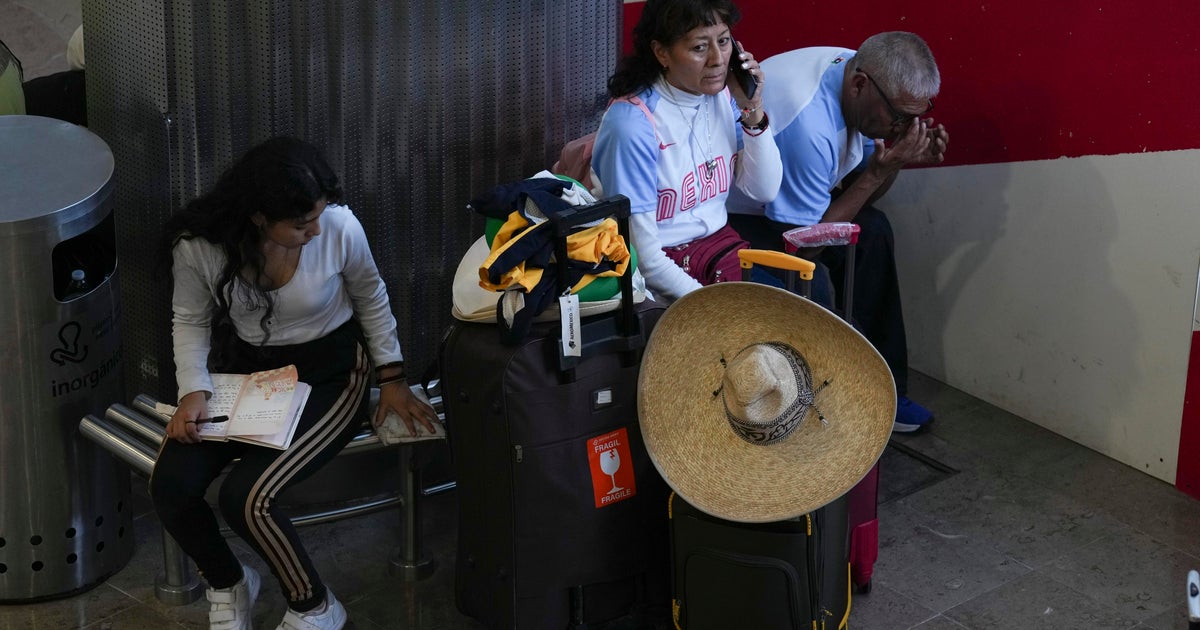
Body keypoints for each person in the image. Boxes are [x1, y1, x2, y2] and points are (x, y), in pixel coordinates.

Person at [148, 137, 438, 630]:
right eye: (302, 225)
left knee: (248, 496)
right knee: (171, 485)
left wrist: (392, 377)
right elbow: (189, 320)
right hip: (247, 372)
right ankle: (229, 581)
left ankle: (315, 605)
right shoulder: (199, 246)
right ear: (259, 217)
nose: (316, 230)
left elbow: (371, 295)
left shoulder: (339, 228)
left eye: (319, 217)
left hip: (330, 371)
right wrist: (192, 392)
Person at [727, 32, 949, 433]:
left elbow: (863, 194)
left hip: (789, 208)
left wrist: (895, 160)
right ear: (861, 84)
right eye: (899, 116)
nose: (903, 126)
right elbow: (802, 248)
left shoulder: (867, 83)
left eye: (915, 117)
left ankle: (890, 391)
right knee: (814, 285)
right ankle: (821, 406)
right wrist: (882, 169)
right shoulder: (808, 125)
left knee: (874, 231)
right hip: (732, 216)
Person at [592, 0, 781, 303]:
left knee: (808, 302)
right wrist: (707, 308)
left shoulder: (722, 98)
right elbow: (646, 257)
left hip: (719, 250)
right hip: (659, 278)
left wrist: (752, 109)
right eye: (699, 48)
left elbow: (765, 190)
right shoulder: (632, 124)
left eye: (723, 41)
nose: (718, 60)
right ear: (662, 53)